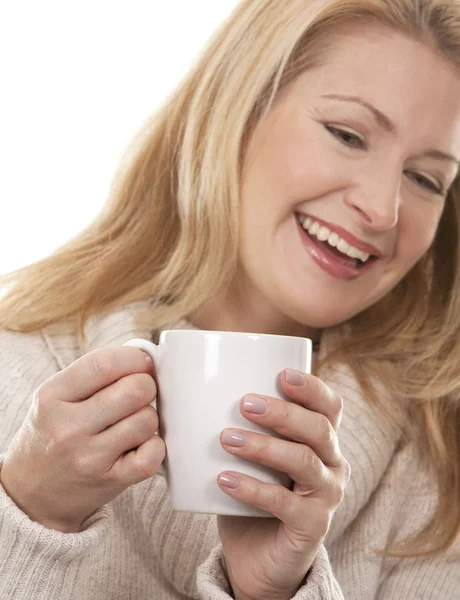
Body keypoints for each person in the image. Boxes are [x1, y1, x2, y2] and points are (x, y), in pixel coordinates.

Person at [0, 0, 459, 598]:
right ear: (236, 110)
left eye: (425, 178)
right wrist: (32, 517)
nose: (381, 209)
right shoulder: (19, 372)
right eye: (347, 135)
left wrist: (276, 592)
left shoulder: (438, 469)